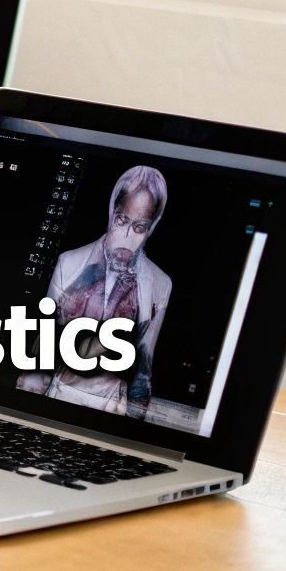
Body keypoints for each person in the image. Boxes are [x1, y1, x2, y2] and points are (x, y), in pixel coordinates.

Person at [18, 165, 173, 419]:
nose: (125, 235)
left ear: (151, 227)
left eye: (138, 227)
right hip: (57, 401)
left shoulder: (159, 284)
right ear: (113, 211)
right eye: (122, 220)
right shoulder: (69, 264)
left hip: (110, 412)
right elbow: (40, 354)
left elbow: (143, 370)